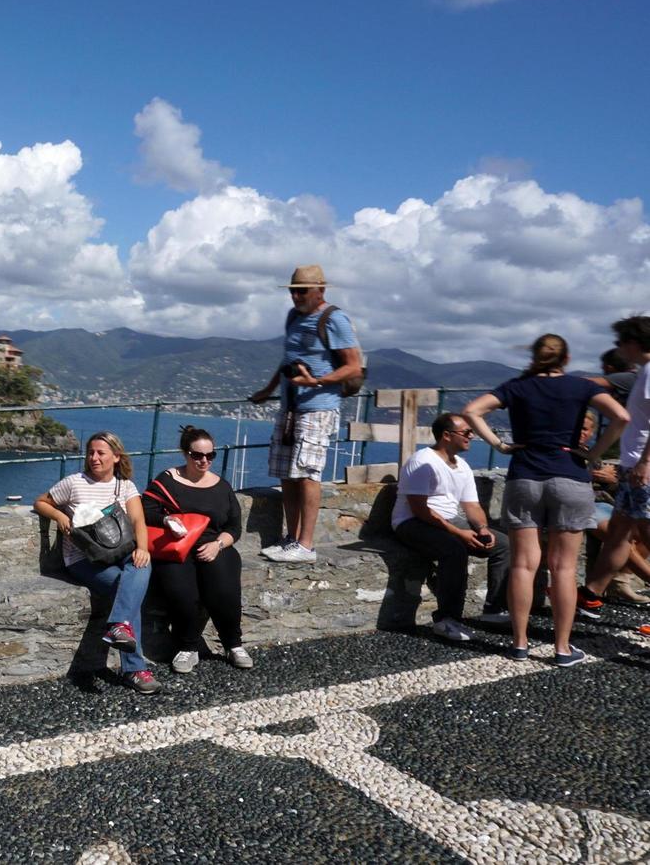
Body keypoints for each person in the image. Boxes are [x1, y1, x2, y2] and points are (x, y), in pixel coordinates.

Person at [463, 334, 627, 666]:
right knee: (563, 568)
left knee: (524, 564)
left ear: (535, 357)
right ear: (565, 359)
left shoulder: (517, 386)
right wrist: (593, 453)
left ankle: (520, 644)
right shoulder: (580, 386)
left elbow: (471, 411)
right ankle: (563, 649)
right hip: (570, 475)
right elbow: (622, 418)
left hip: (525, 475)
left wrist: (500, 445)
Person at [251, 265, 362, 564]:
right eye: (293, 290)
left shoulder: (334, 319)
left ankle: (306, 545)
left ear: (320, 291)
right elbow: (288, 360)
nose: (296, 296)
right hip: (290, 407)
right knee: (288, 474)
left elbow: (353, 366)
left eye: (302, 291)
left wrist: (316, 381)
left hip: (318, 406)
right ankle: (292, 538)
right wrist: (269, 388)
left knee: (308, 475)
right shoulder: (293, 317)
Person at [34, 432, 157, 693]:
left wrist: (143, 548)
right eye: (91, 452)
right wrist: (58, 515)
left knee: (142, 564)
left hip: (120, 549)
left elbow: (138, 522)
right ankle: (134, 669)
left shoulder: (125, 486)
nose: (94, 458)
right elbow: (40, 502)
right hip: (83, 557)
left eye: (101, 453)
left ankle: (119, 630)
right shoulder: (74, 483)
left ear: (116, 457)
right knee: (127, 590)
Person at [390, 413, 511, 642]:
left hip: (448, 520)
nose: (471, 436)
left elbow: (471, 505)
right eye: (466, 432)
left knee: (504, 545)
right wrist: (460, 533)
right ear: (447, 435)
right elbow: (419, 509)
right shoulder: (423, 462)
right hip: (411, 523)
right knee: (454, 549)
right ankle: (447, 620)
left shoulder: (462, 466)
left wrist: (482, 528)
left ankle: (494, 609)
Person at [141, 426, 252, 673]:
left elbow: (234, 527)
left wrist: (217, 545)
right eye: (197, 455)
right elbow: (145, 509)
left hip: (214, 545)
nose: (204, 461)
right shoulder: (167, 480)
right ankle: (187, 647)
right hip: (176, 547)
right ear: (185, 454)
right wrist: (166, 520)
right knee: (182, 593)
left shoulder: (222, 486)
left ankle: (233, 644)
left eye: (210, 456)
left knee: (224, 590)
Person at [577, 317, 650, 618]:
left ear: (633, 343)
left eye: (621, 342)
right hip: (634, 467)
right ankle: (590, 595)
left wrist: (645, 463)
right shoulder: (643, 372)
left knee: (645, 533)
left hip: (642, 470)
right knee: (619, 532)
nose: (618, 349)